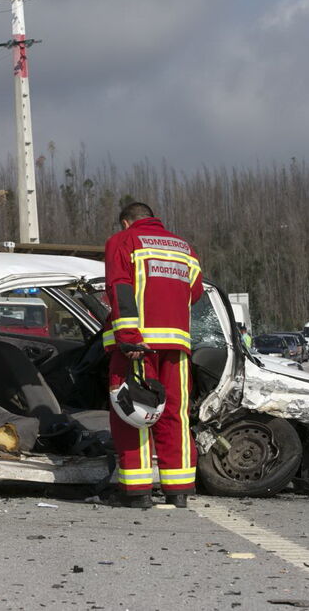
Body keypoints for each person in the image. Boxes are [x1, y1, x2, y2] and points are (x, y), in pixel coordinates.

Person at [103, 202, 203, 509]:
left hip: (139, 346)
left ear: (125, 222)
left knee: (135, 413)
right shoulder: (184, 247)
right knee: (174, 414)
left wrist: (129, 338)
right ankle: (179, 490)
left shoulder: (123, 241)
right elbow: (195, 290)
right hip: (177, 346)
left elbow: (119, 288)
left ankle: (138, 492)